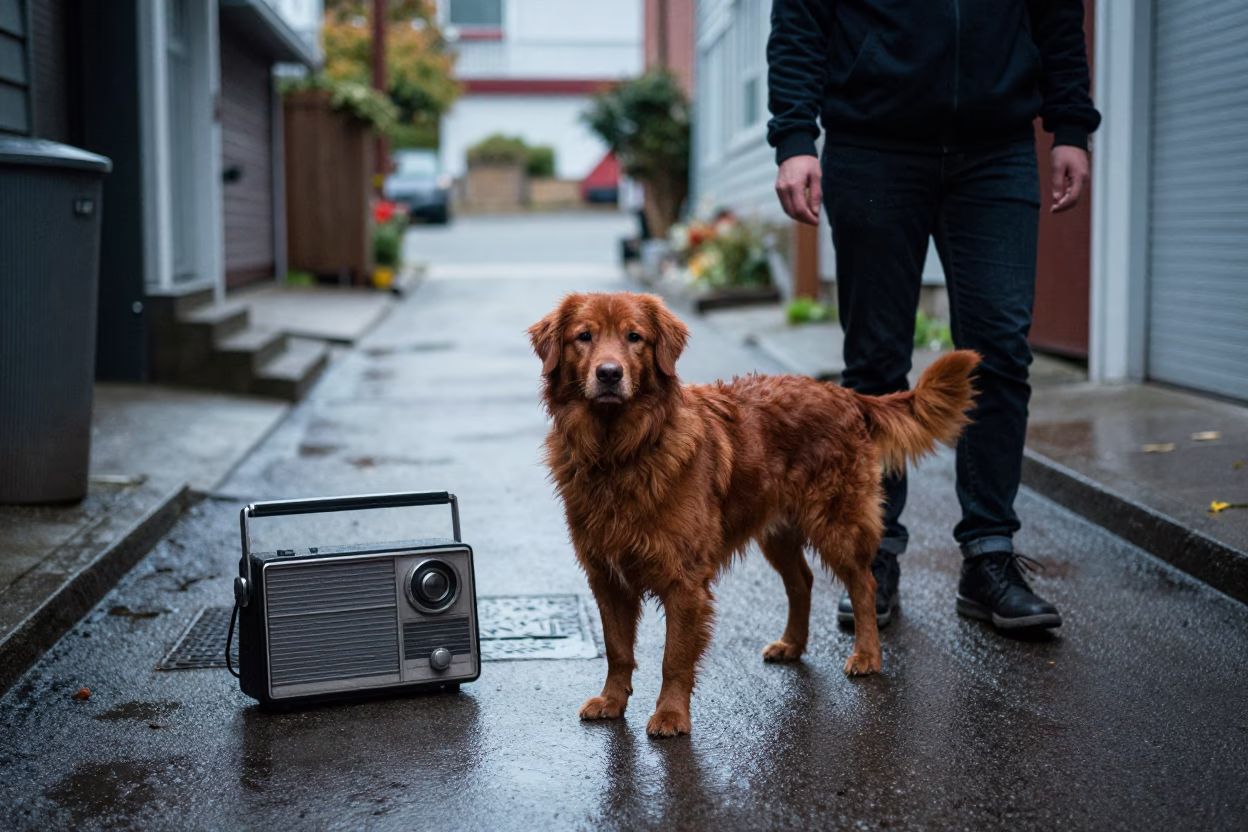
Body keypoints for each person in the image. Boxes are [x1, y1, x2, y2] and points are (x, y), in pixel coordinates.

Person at [767, 1, 1100, 632]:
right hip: (872, 145)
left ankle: (988, 556)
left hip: (996, 147)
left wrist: (1071, 128)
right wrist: (794, 138)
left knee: (999, 351)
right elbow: (802, 19)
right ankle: (874, 553)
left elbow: (1056, 17)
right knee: (875, 361)